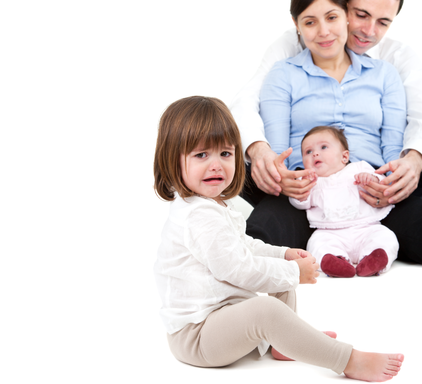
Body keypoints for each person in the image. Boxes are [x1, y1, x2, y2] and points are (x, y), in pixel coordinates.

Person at [153, 95, 405, 381]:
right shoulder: (198, 216)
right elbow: (237, 269)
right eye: (201, 155)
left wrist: (283, 254)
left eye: (225, 154)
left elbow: (245, 246)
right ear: (173, 160)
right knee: (267, 306)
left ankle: (284, 342)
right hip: (197, 337)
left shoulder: (212, 205)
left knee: (279, 282)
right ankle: (347, 360)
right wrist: (292, 272)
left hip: (221, 319)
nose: (216, 165)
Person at [230, 0, 422, 269]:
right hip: (308, 189)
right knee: (257, 225)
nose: (368, 31)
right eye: (362, 15)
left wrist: (397, 175)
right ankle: (325, 236)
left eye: (382, 21)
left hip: (369, 189)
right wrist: (275, 168)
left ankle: (373, 235)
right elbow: (254, 119)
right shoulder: (285, 65)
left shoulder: (388, 68)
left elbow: (417, 123)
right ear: (348, 7)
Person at [290, 126, 399, 278]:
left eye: (323, 147)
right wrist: (301, 192)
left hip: (366, 227)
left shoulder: (359, 168)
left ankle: (375, 260)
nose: (315, 153)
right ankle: (335, 262)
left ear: (344, 157)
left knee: (386, 237)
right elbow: (299, 202)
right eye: (308, 152)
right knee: (316, 244)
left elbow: (381, 184)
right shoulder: (309, 182)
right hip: (328, 232)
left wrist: (371, 179)